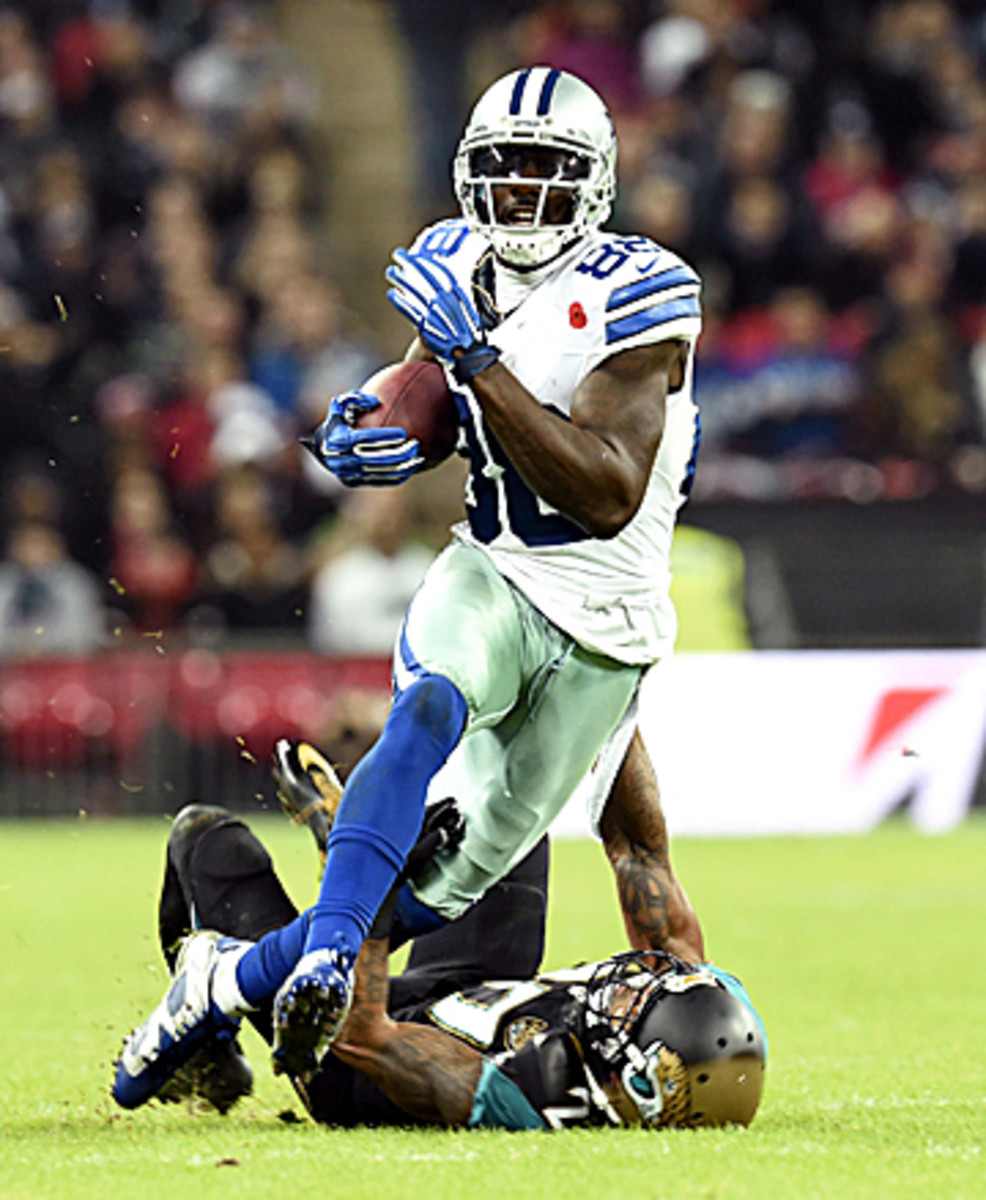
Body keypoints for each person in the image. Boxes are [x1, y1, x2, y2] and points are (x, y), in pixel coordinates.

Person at [120, 65, 707, 1090]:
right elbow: (425, 393)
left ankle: (224, 973)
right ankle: (314, 932)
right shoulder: (457, 262)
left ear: (595, 180)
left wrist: (471, 360)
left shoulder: (635, 290)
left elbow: (605, 492)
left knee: (427, 893)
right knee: (426, 710)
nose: (519, 194)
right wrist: (375, 429)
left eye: (545, 170)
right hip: (497, 567)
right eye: (503, 169)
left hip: (599, 616)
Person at [112, 739, 766, 1129]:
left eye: (634, 1002)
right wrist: (606, 704)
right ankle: (345, 850)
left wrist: (373, 872)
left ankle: (204, 1045)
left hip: (353, 1060)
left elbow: (362, 1031)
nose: (632, 975)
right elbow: (639, 850)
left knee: (209, 841)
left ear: (635, 1078)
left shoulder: (533, 1093)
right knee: (511, 821)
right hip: (473, 989)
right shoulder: (697, 1000)